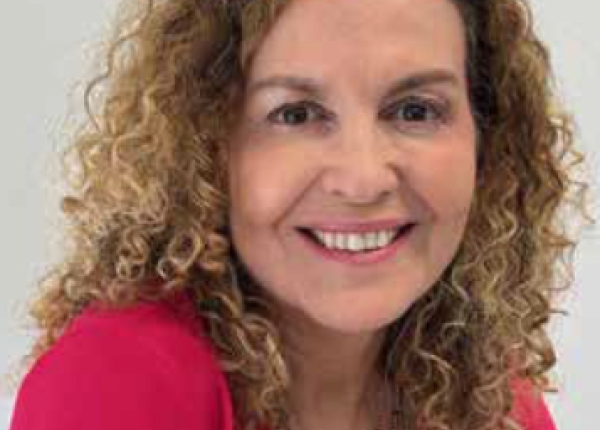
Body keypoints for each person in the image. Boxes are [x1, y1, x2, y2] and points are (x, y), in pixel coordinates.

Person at [8, 0, 594, 429]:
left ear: (487, 141)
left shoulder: (487, 398)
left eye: (415, 110)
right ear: (205, 147)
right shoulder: (119, 384)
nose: (363, 179)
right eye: (296, 114)